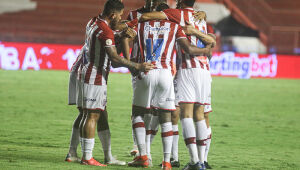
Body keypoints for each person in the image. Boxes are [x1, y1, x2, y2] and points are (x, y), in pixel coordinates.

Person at [123, 6, 211, 170]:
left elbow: (124, 35)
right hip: (167, 74)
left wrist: (131, 63)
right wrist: (206, 49)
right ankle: (168, 162)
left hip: (147, 69)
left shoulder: (140, 25)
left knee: (139, 114)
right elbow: (190, 47)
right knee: (168, 119)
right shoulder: (176, 26)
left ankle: (143, 154)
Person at [77, 0, 154, 166]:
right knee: (92, 115)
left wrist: (122, 34)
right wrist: (137, 66)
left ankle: (106, 156)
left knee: (97, 114)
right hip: (95, 76)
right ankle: (87, 157)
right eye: (119, 16)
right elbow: (115, 58)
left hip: (90, 73)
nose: (120, 19)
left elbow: (111, 41)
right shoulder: (105, 30)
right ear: (112, 14)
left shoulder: (94, 21)